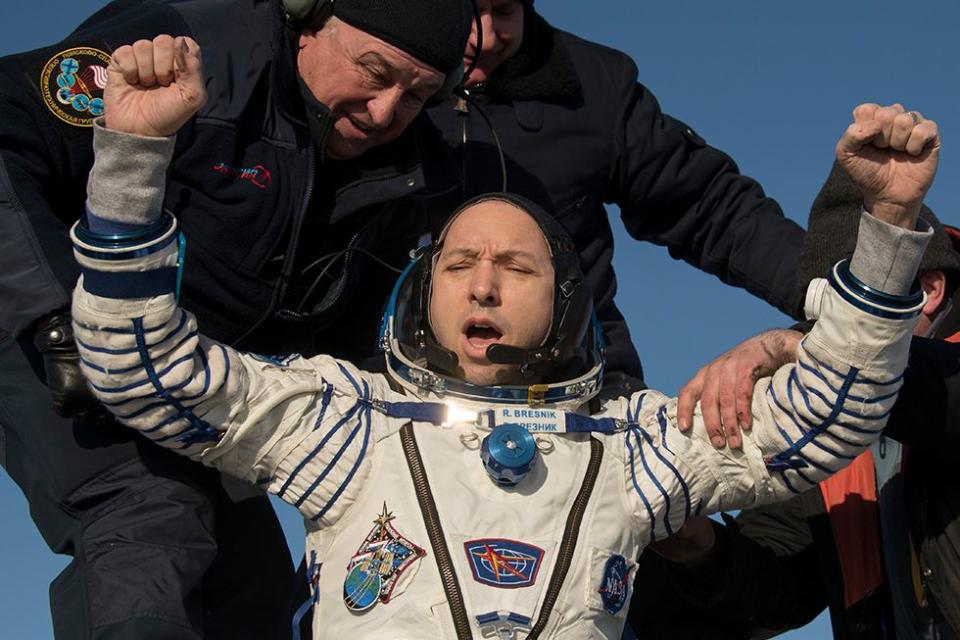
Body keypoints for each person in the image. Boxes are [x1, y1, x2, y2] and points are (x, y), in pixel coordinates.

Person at [70, 41, 937, 638]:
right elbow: (143, 368)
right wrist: (133, 156)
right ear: (425, 289)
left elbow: (829, 418)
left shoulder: (629, 447)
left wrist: (889, 224)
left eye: (517, 268)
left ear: (566, 302)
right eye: (460, 264)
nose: (483, 283)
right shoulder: (345, 424)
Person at [0, 0, 471, 636]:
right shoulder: (188, 51)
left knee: (255, 596)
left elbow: (353, 342)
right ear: (309, 25)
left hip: (196, 376)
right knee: (150, 513)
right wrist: (54, 317)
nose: (386, 111)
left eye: (417, 95)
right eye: (373, 71)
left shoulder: (408, 173)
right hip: (48, 325)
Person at [631, 162, 960, 639]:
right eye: (826, 314)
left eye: (855, 308)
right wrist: (700, 550)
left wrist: (803, 351)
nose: (833, 334)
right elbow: (780, 583)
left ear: (929, 290)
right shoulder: (831, 436)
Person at [425, 0, 806, 405]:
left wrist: (845, 293)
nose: (481, 37)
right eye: (464, 9)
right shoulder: (374, 81)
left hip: (583, 400)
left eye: (502, 12)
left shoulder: (594, 85)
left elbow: (710, 206)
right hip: (395, 401)